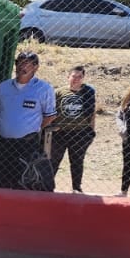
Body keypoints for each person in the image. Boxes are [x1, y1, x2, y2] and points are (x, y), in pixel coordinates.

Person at [0, 50, 55, 190]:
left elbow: (50, 115)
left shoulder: (44, 89)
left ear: (36, 67)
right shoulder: (4, 87)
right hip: (1, 141)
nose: (23, 67)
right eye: (20, 63)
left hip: (26, 143)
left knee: (22, 177)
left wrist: (35, 128)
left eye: (28, 64)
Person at [49, 66, 96, 194]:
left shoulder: (88, 93)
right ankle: (48, 185)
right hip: (61, 132)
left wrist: (91, 131)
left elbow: (92, 113)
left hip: (80, 132)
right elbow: (52, 110)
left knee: (77, 161)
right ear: (68, 77)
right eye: (74, 76)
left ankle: (76, 187)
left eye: (79, 77)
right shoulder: (59, 92)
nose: (76, 79)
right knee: (54, 160)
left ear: (83, 78)